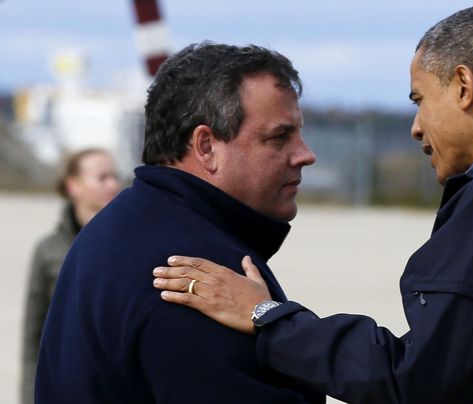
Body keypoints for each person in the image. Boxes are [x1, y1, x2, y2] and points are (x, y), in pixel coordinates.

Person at [153, 7, 473, 404]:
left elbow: (415, 380)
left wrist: (267, 317)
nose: (416, 127)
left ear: (464, 86)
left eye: (419, 99)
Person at [35, 42, 324, 403]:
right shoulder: (195, 276)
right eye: (279, 137)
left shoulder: (118, 227)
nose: (305, 154)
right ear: (206, 146)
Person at [21, 148, 120, 404]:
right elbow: (34, 339)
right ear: (73, 186)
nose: (113, 184)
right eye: (102, 177)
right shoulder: (48, 250)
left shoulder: (129, 244)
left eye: (114, 176)